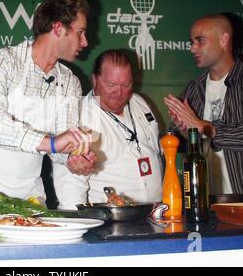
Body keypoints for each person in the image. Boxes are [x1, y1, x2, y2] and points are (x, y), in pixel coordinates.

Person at [0, 0, 96, 201]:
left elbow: (59, 147)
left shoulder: (70, 81)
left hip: (30, 200)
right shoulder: (0, 60)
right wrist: (49, 143)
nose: (85, 42)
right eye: (81, 32)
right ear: (58, 28)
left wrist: (72, 158)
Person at [164, 14, 243, 198]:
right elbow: (188, 144)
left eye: (200, 41)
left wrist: (205, 127)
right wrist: (186, 132)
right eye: (191, 42)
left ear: (223, 39)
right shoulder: (194, 88)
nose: (192, 48)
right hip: (206, 201)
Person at [54, 49, 163, 209]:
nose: (119, 93)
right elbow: (70, 186)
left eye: (126, 85)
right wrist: (78, 224)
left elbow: (156, 151)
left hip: (156, 212)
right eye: (111, 85)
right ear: (95, 80)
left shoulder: (140, 102)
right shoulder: (79, 116)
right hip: (110, 221)